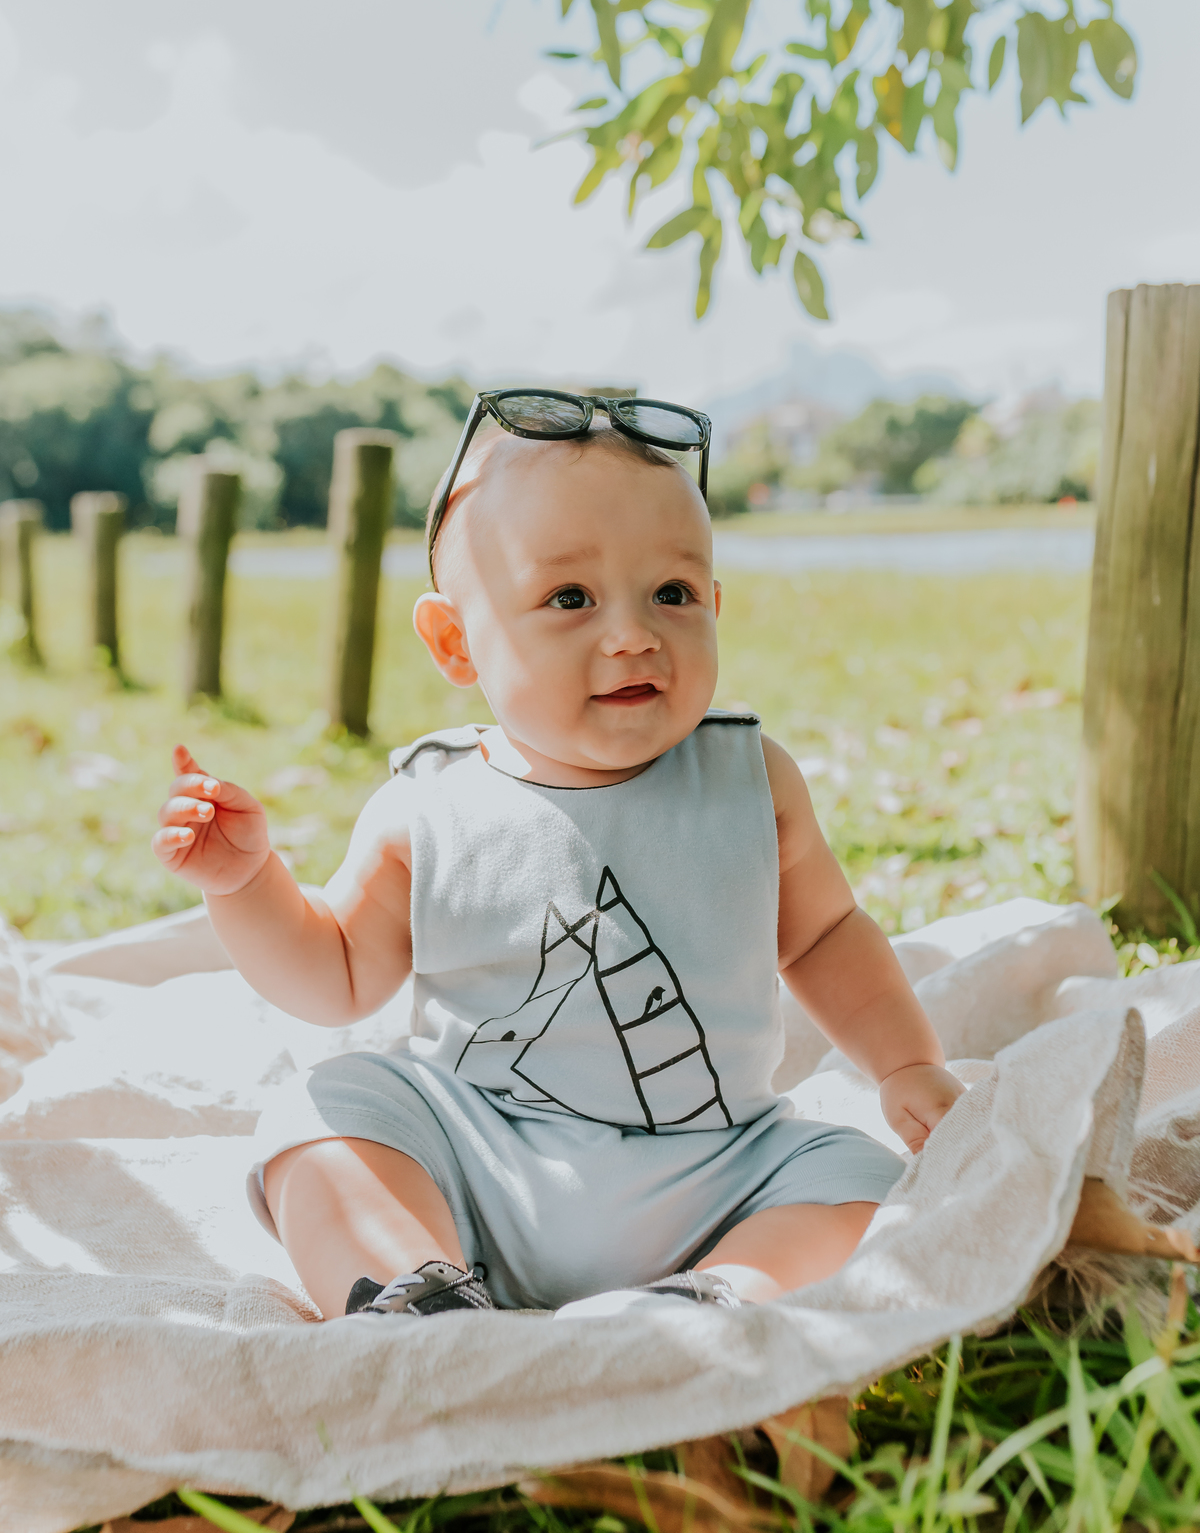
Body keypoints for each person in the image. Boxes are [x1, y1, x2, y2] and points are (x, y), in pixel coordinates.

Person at [153, 392, 964, 1323]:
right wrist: (248, 884)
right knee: (327, 1115)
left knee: (859, 1178)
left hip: (716, 1169)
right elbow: (334, 974)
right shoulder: (429, 805)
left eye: (674, 593)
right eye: (569, 599)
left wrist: (905, 1064)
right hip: (481, 1163)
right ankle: (414, 1292)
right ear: (456, 640)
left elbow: (824, 936)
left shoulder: (750, 779)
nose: (632, 634)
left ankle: (715, 1297)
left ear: (715, 605)